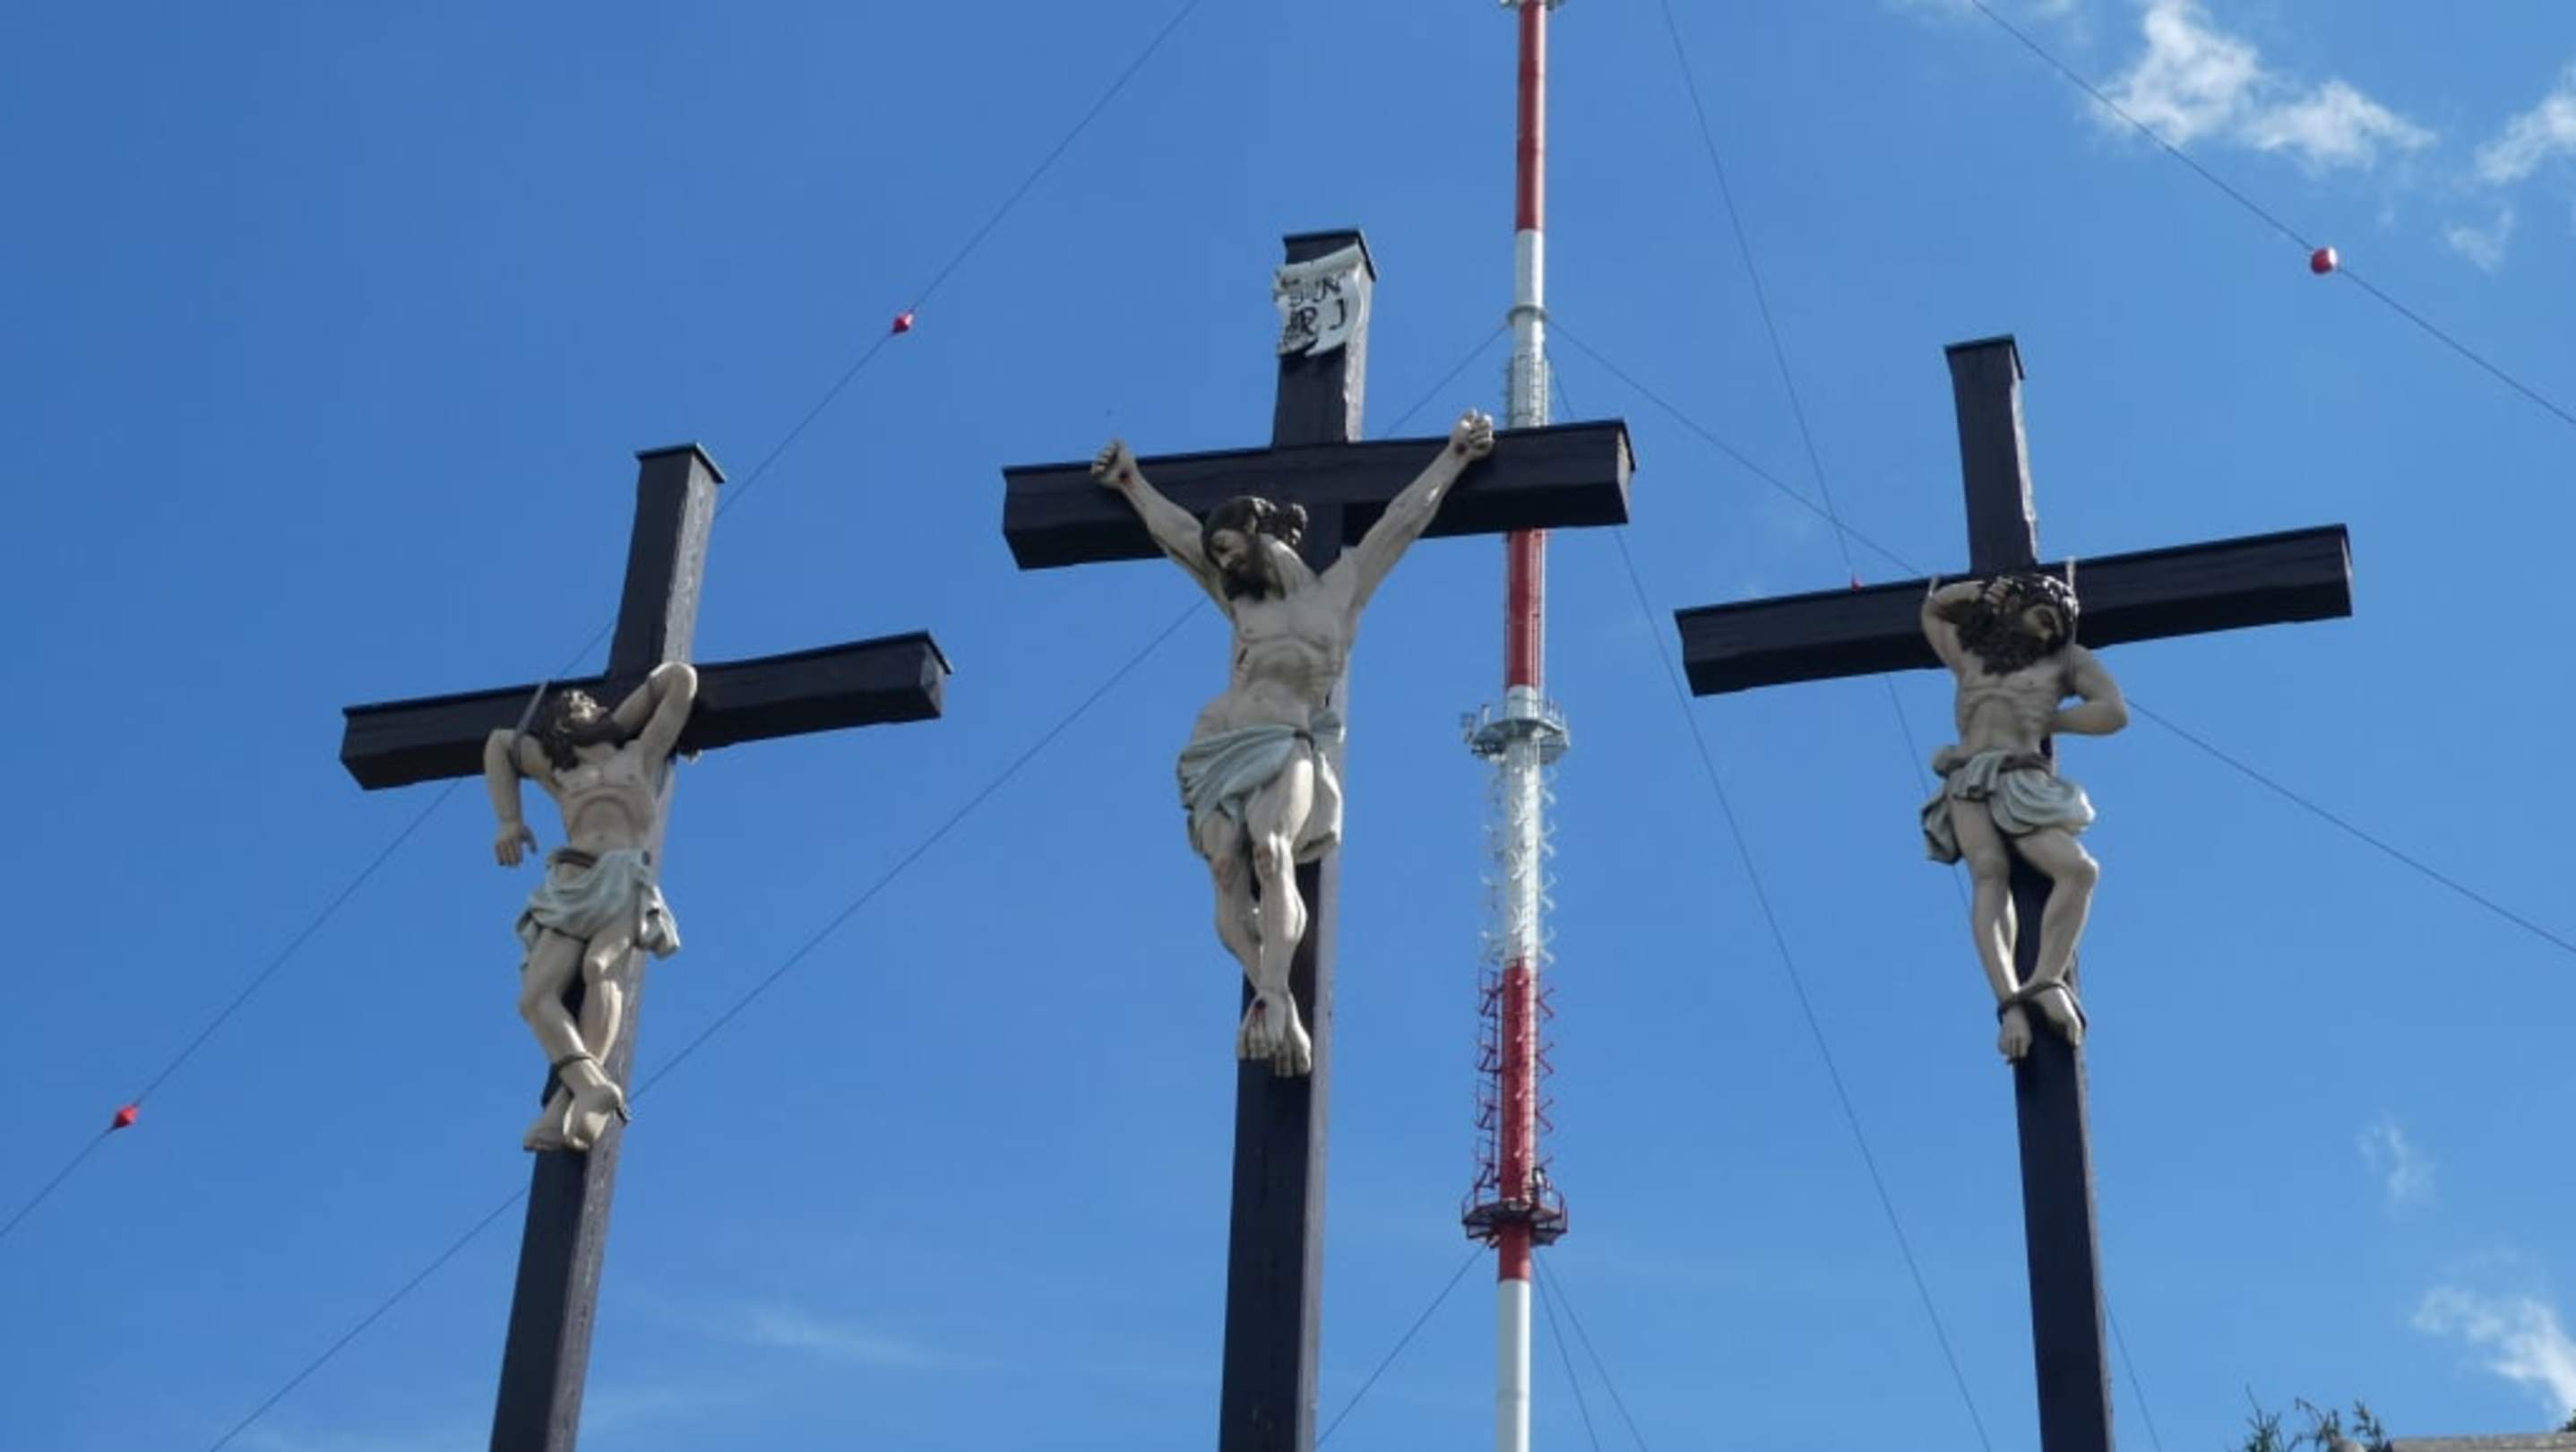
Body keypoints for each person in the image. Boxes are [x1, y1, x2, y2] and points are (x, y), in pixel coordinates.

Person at [1090, 410, 1497, 1075]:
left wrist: (1453, 457)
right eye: (1219, 557)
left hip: (1287, 735)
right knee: (1226, 870)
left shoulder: (1338, 593)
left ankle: (1275, 993)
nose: (1223, 564)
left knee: (1271, 849)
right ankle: (1270, 995)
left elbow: (1400, 522)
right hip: (1221, 735)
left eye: (1230, 549)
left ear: (1260, 535)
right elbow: (1179, 537)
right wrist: (1131, 482)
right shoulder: (1241, 604)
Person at [483, 661, 696, 1148]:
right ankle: (589, 1087)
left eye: (591, 705)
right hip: (570, 878)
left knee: (600, 969)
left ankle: (569, 1102)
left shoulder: (641, 753)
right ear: (559, 729)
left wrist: (618, 722)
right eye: (574, 709)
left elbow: (680, 680)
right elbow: (500, 743)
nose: (586, 708)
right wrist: (508, 820)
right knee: (534, 998)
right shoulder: (563, 774)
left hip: (622, 876)